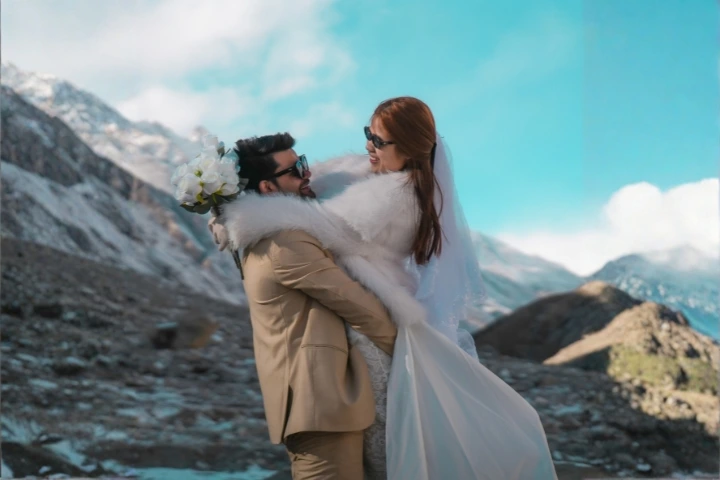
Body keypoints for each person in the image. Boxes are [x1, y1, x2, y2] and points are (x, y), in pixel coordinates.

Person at [214, 97, 558, 479]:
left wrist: (239, 213)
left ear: (408, 149)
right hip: (351, 349)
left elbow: (320, 229)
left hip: (371, 332)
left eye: (378, 141)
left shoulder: (390, 196)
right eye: (368, 134)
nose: (368, 146)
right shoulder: (367, 178)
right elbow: (309, 201)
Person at [211, 132, 397, 480]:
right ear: (268, 188)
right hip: (320, 406)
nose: (307, 173)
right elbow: (359, 307)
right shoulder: (282, 241)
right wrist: (413, 355)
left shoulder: (265, 236)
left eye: (304, 162)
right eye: (295, 170)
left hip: (322, 405)